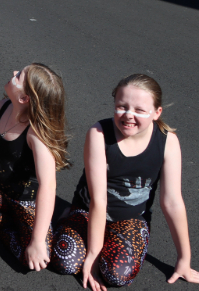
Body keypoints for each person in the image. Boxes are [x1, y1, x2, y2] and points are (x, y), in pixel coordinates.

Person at [51, 74, 199, 289]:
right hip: (89, 211)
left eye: (140, 110)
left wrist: (184, 260)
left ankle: (113, 240)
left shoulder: (167, 141)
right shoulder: (99, 133)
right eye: (122, 106)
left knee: (117, 276)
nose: (129, 115)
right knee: (65, 261)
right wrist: (93, 254)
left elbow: (173, 202)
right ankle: (69, 219)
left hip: (131, 219)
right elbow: (99, 200)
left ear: (157, 113)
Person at [0, 64, 69, 271]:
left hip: (27, 201)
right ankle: (8, 226)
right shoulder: (1, 107)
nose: (13, 73)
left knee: (36, 259)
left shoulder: (36, 135)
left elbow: (48, 186)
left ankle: (57, 222)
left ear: (24, 99)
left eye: (18, 76)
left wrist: (37, 242)